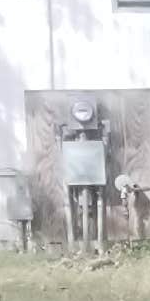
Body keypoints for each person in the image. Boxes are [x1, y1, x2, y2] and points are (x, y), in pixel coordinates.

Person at [58, 102, 114, 251]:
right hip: (77, 174)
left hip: (93, 173)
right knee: (73, 202)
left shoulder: (99, 139)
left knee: (98, 200)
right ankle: (75, 245)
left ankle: (98, 244)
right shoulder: (69, 144)